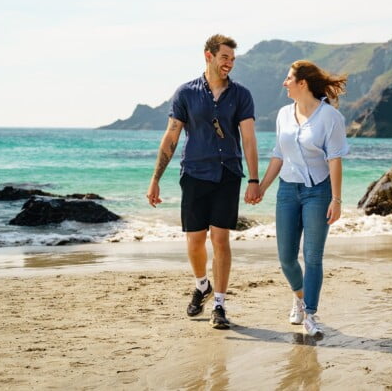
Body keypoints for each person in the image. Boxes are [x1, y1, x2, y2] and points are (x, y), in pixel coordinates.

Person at [146, 34, 260, 330]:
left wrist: (254, 179)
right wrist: (155, 179)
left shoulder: (241, 95)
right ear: (208, 56)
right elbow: (171, 136)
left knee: (220, 239)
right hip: (194, 173)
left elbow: (248, 139)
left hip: (228, 174)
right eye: (225, 58)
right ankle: (202, 285)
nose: (229, 65)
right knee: (195, 240)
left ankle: (220, 304)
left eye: (233, 60)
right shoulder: (185, 93)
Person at [258, 60, 349, 337]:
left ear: (303, 83)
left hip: (318, 192)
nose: (284, 83)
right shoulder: (284, 114)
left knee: (313, 256)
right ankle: (298, 296)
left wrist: (336, 200)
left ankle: (310, 313)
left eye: (288, 78)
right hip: (287, 190)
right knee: (286, 257)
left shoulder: (330, 118)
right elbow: (278, 154)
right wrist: (261, 187)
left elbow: (334, 160)